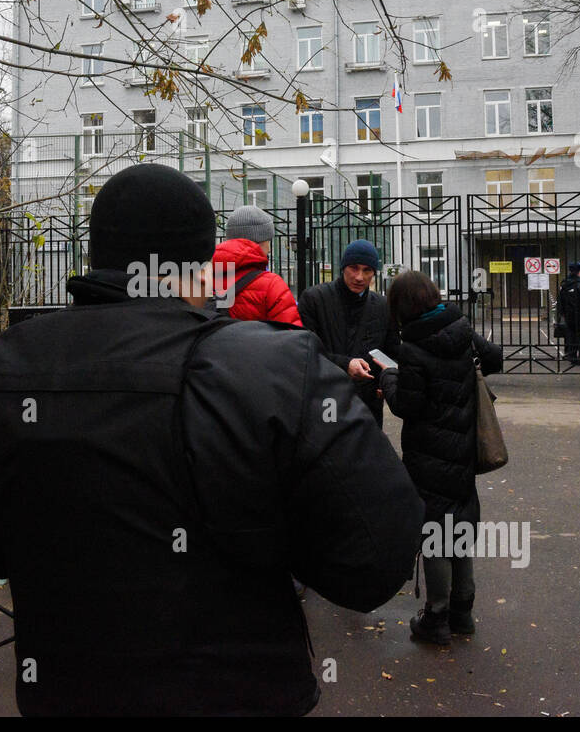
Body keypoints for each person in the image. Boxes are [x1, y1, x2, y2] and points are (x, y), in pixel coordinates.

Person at [0, 163, 424, 716]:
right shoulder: (277, 370)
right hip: (240, 693)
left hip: (68, 694)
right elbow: (378, 556)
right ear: (201, 265)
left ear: (96, 254)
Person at [379, 270, 503, 646]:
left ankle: (436, 617)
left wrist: (388, 377)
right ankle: (463, 612)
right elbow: (494, 358)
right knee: (460, 526)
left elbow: (407, 406)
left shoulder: (413, 347)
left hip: (429, 454)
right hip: (463, 447)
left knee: (434, 533)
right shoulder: (460, 327)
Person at [297, 239, 399, 425]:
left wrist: (386, 381)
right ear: (343, 267)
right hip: (326, 397)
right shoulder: (315, 299)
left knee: (367, 451)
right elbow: (305, 351)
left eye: (367, 270)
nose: (359, 277)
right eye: (354, 268)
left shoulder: (384, 307)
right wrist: (345, 365)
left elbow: (392, 352)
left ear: (373, 274)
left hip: (368, 403)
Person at [210, 204, 301, 324]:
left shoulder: (200, 279)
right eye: (268, 242)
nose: (269, 249)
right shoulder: (271, 285)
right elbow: (291, 335)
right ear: (260, 241)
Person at [558, 261, 580, 364]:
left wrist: (562, 312)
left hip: (569, 314)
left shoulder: (565, 284)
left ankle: (572, 356)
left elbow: (560, 300)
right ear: (579, 272)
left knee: (571, 336)